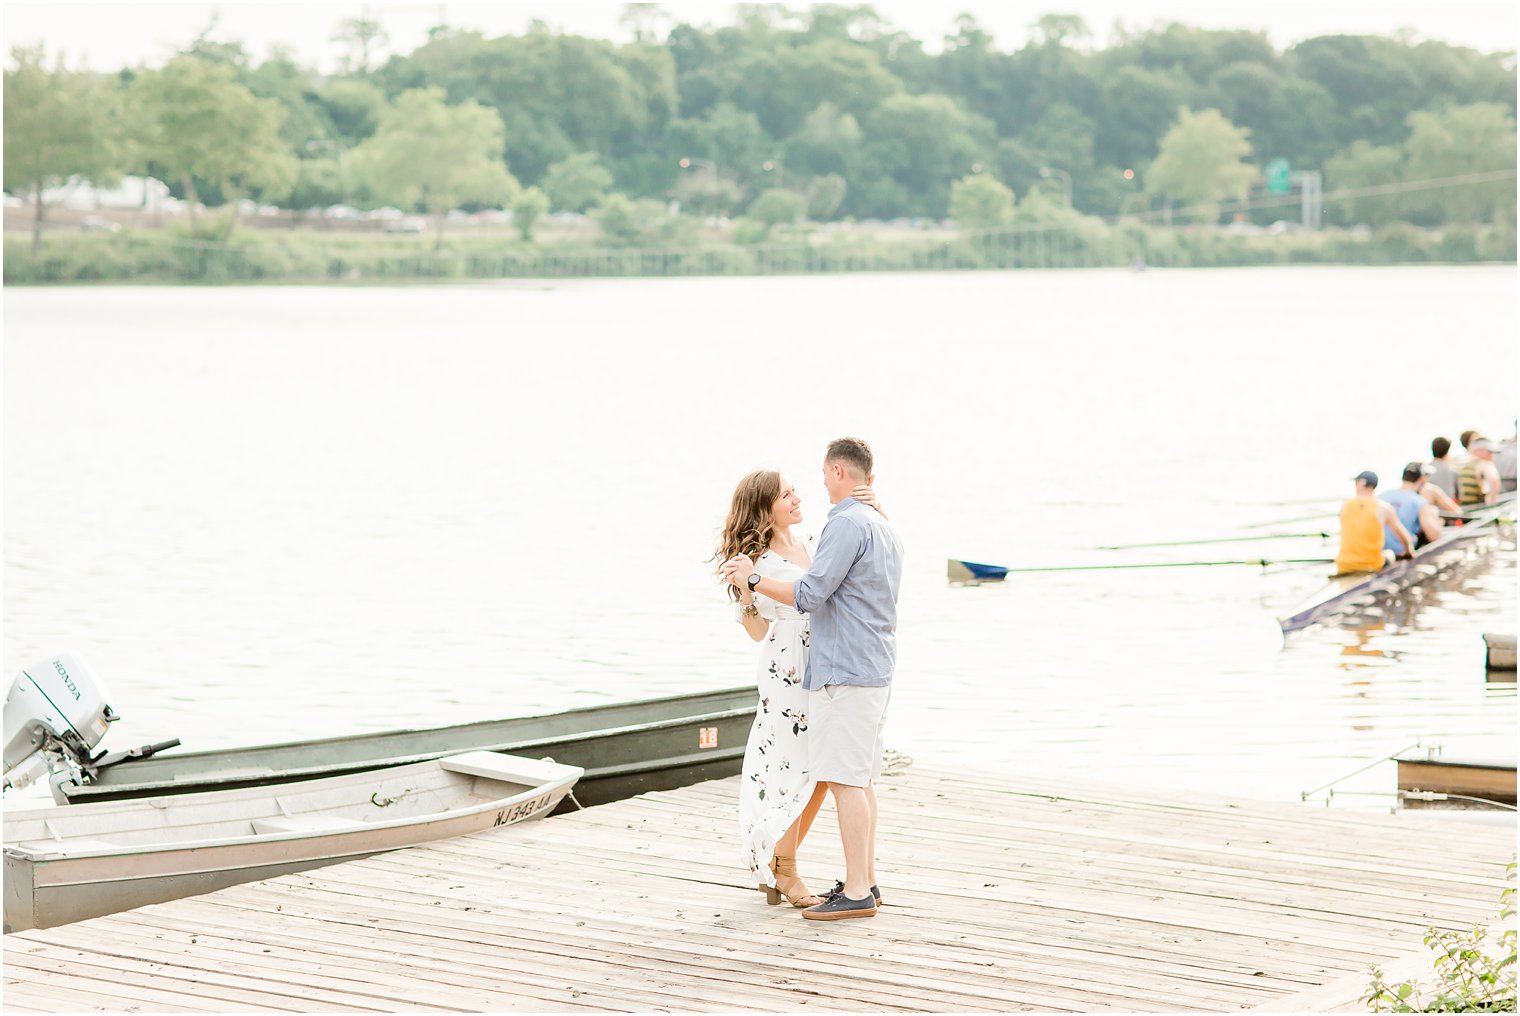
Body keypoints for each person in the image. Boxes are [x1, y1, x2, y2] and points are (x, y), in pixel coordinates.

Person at [723, 437, 904, 923]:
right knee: (797, 771)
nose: (800, 497)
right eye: (787, 495)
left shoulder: (819, 538)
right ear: (766, 508)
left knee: (826, 774)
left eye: (801, 488)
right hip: (791, 669)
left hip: (828, 662)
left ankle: (792, 864)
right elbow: (759, 629)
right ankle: (786, 865)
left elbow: (824, 584)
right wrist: (747, 589)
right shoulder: (754, 560)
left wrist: (873, 506)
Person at [1335, 470, 1414, 575]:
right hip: (1371, 565)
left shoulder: (1344, 505)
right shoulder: (1383, 507)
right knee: (1389, 553)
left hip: (1344, 565)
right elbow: (1405, 538)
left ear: (1360, 484)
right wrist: (1408, 552)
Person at [1381, 463, 1444, 552]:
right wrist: (1437, 520)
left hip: (1380, 550)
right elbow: (1434, 536)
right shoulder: (1419, 502)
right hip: (1402, 552)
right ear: (1422, 479)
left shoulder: (1382, 496)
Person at [1457, 438, 1500, 506]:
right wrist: (1491, 502)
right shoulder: (1485, 464)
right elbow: (1494, 481)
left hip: (1462, 508)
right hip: (1477, 509)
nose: (1492, 455)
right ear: (1478, 450)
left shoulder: (1460, 462)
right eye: (1489, 451)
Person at [1426, 436, 1461, 501]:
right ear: (1447, 451)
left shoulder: (1424, 470)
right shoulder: (1453, 472)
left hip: (1428, 508)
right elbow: (1459, 496)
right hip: (1448, 509)